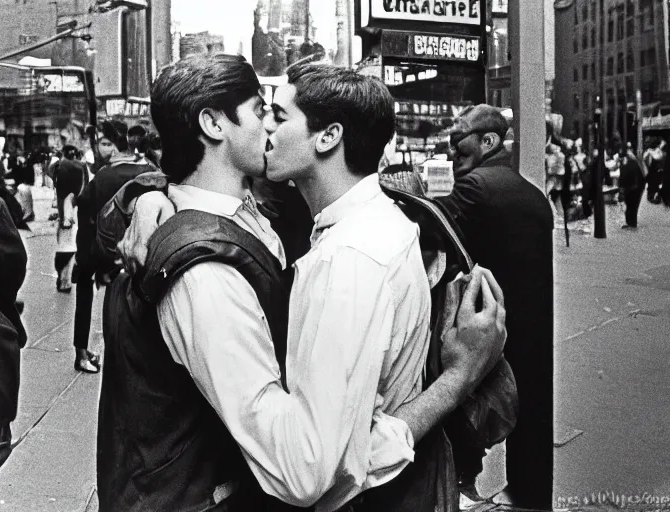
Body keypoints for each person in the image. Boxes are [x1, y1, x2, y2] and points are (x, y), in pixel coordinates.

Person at [96, 56, 508, 511]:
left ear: (329, 137)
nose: (269, 128)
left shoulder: (290, 222)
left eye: (278, 114)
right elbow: (303, 468)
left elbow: (314, 464)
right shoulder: (202, 264)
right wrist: (147, 196)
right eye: (260, 110)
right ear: (213, 124)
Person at [436, 104, 554, 509]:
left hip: (488, 326)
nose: (453, 151)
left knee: (459, 404)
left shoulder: (475, 187)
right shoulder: (533, 194)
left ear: (488, 141)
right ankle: (531, 494)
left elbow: (433, 237)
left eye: (459, 140)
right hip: (533, 323)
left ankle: (463, 485)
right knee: (535, 413)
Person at [72, 120, 156, 373]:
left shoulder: (104, 176)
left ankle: (81, 352)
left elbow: (86, 215)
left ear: (116, 145)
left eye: (104, 143)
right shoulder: (149, 169)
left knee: (85, 290)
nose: (100, 148)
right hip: (143, 251)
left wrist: (84, 258)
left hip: (104, 251)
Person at [53, 144, 86, 292]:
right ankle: (65, 279)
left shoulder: (59, 165)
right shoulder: (82, 167)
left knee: (64, 245)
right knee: (71, 246)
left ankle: (64, 280)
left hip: (64, 211)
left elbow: (52, 177)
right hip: (77, 208)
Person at [619, 150, 645, 229]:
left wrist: (622, 189)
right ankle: (631, 223)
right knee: (632, 206)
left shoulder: (628, 164)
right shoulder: (633, 163)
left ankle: (631, 224)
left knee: (631, 206)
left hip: (633, 188)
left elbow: (624, 177)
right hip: (637, 187)